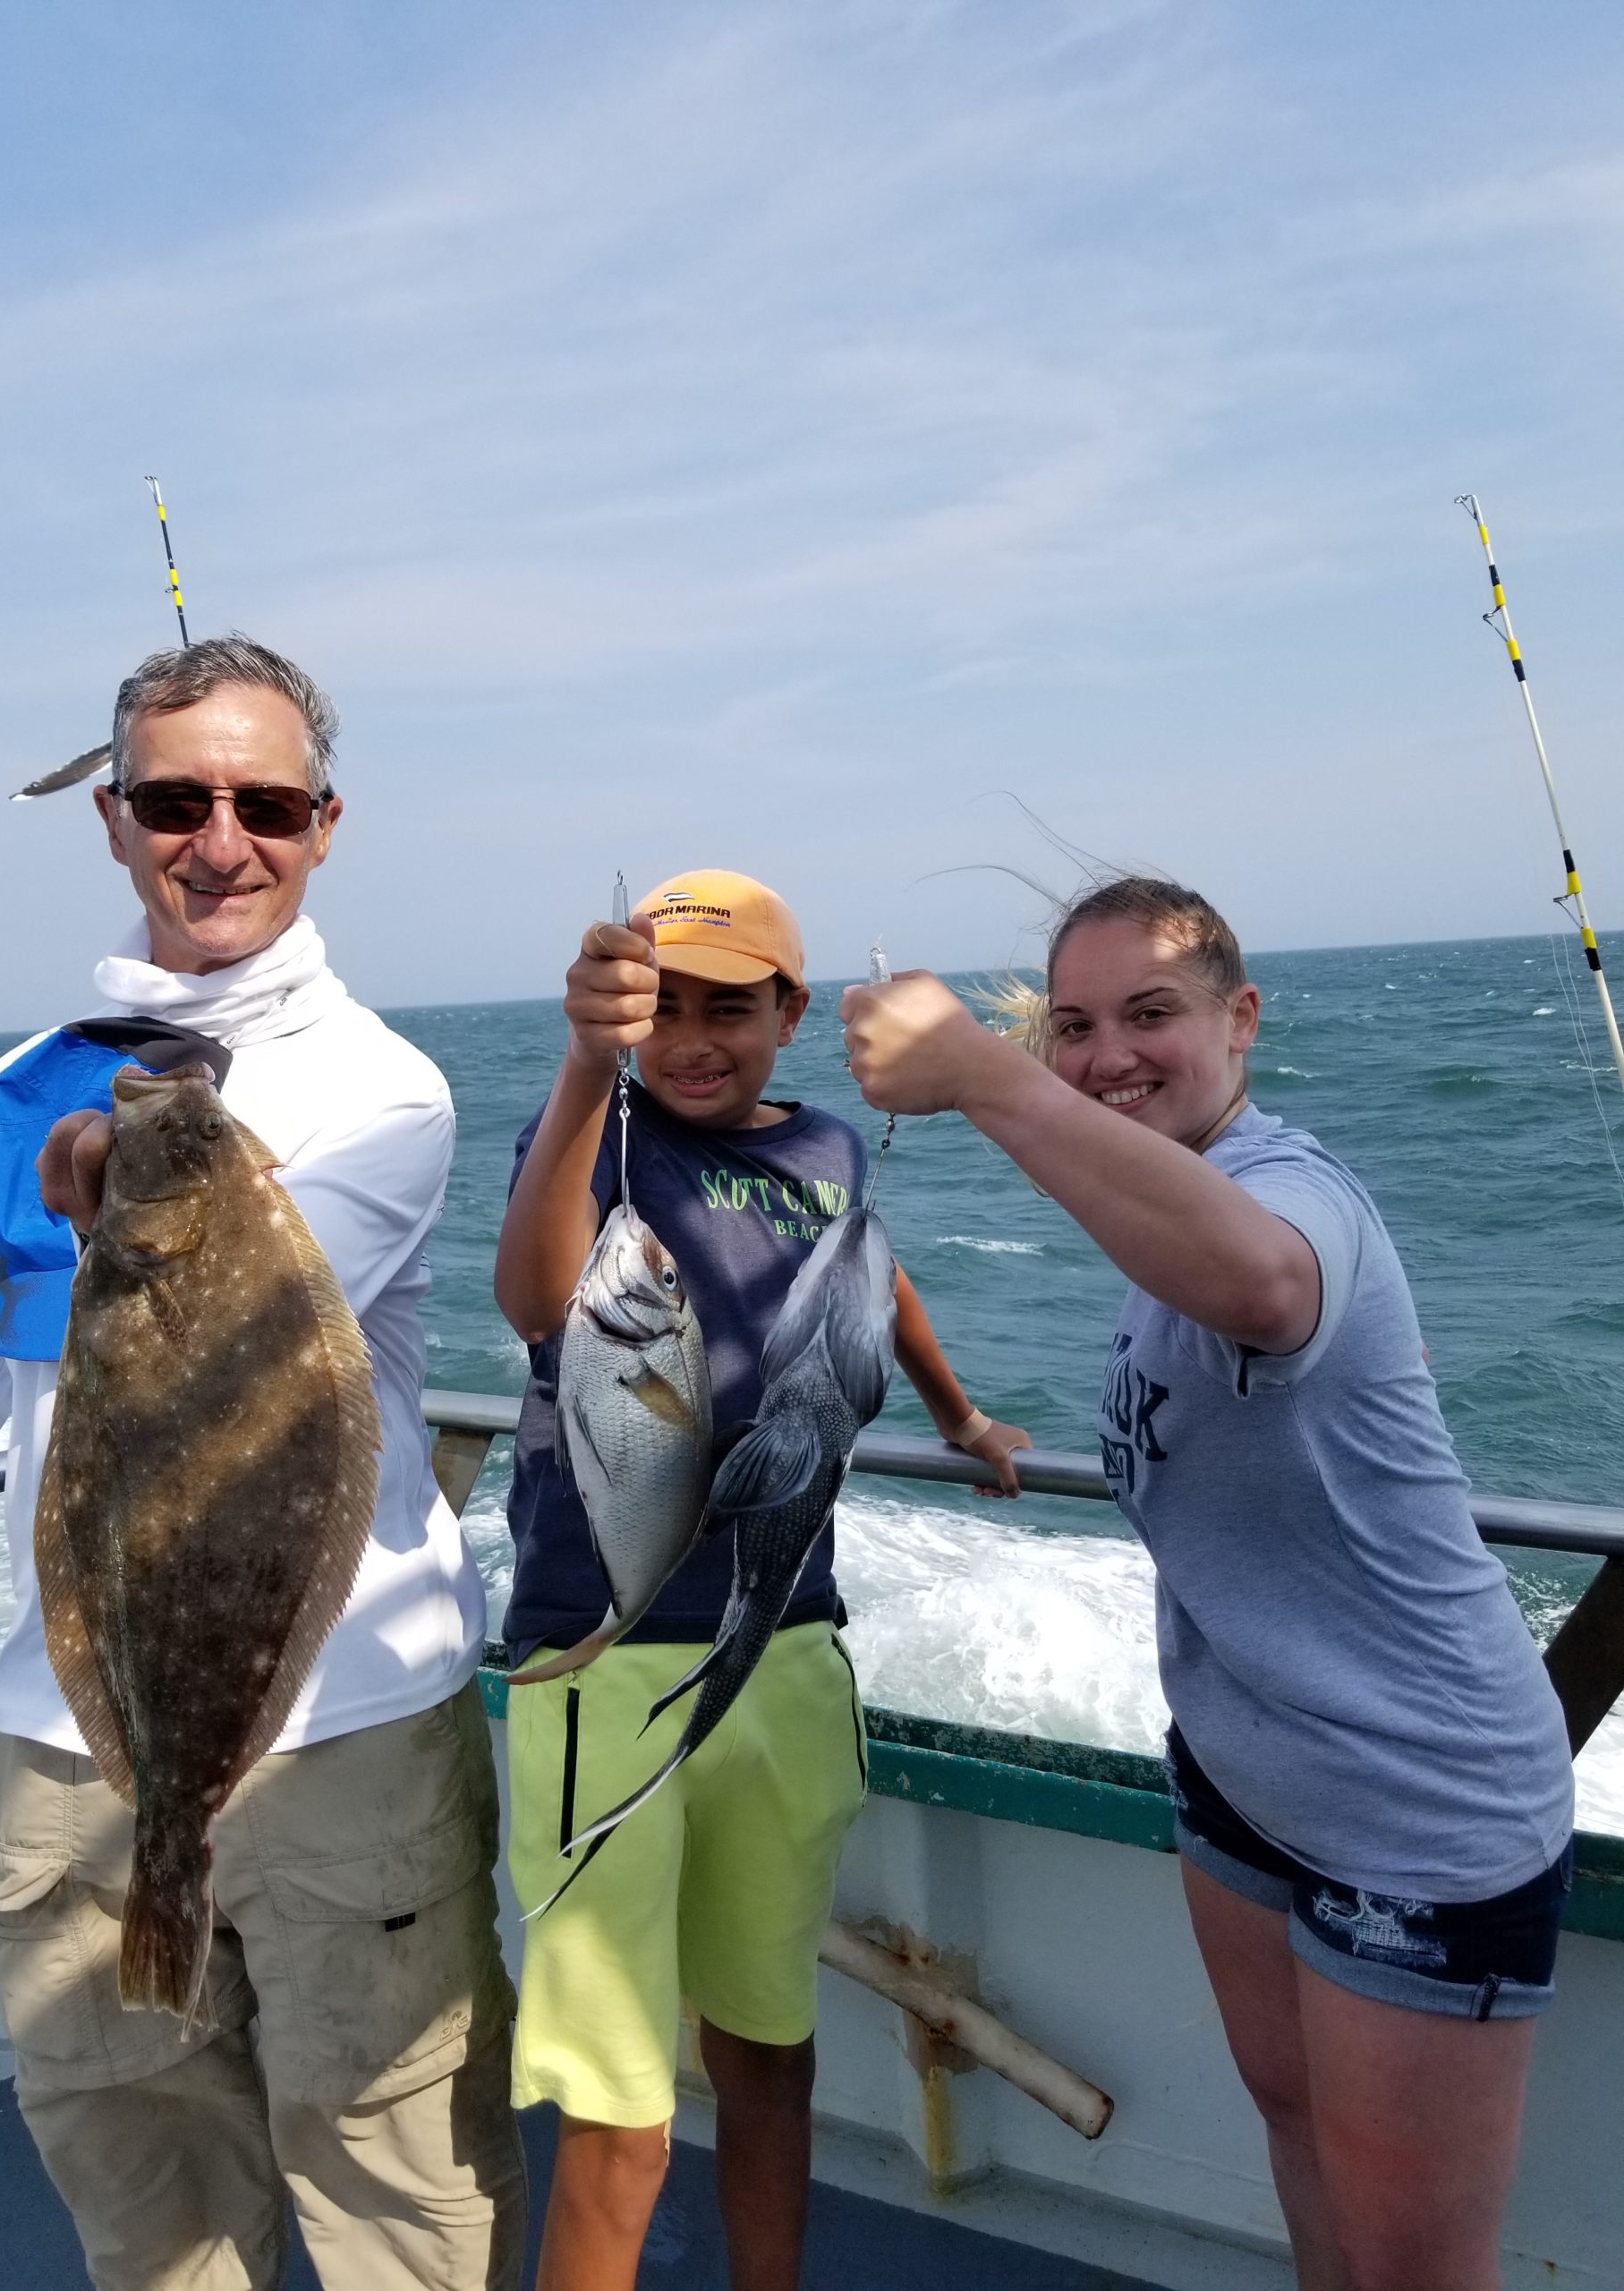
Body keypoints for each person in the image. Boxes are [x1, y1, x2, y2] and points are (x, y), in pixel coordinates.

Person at [840, 876, 1574, 2291]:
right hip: (1244, 1769)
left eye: (1152, 1012)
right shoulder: (1156, 1199)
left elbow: (1266, 1291)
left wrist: (982, 1075)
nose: (1108, 1052)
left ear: (1242, 1022)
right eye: (1072, 1024)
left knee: (1414, 2265)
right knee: (1297, 2145)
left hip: (1414, 1804)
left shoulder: (1297, 1195)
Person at [0, 635, 524, 2291]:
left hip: (345, 1735)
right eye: (177, 799)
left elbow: (244, 1321)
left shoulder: (388, 1088)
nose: (221, 839)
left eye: (266, 802)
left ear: (328, 825)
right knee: (151, 2205)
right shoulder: (9, 1092)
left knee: (405, 2198)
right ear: (113, 819)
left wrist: (132, 1197)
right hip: (68, 1730)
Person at [493, 869, 1030, 2291]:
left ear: (791, 1011)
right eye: (661, 1008)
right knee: (620, 2111)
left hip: (784, 1646)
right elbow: (538, 1302)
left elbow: (874, 1279)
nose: (692, 1037)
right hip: (603, 1664)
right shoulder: (597, 1142)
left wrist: (962, 1416)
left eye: (729, 1006)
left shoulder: (835, 1149)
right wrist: (577, 1070)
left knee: (769, 2050)